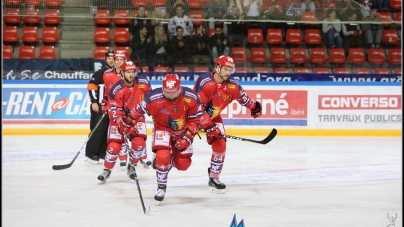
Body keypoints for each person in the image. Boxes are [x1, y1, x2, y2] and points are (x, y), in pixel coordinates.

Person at [126, 74, 204, 203]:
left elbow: (196, 120)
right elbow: (136, 111)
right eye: (167, 92)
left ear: (179, 88)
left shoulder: (191, 97)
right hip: (162, 129)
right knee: (162, 156)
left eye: (173, 92)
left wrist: (187, 138)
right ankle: (161, 187)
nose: (171, 96)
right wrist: (126, 124)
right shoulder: (153, 98)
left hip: (183, 131)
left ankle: (169, 161)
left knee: (183, 165)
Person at [193, 55, 262, 194]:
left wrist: (255, 107)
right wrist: (209, 127)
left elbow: (244, 99)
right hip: (192, 117)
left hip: (213, 117)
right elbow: (197, 109)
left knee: (220, 144)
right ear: (217, 67)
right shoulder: (205, 82)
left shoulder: (232, 85)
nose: (228, 73)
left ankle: (214, 177)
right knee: (181, 147)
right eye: (225, 69)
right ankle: (162, 155)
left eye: (230, 70)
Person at [98, 60, 152, 184]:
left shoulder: (144, 83)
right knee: (114, 146)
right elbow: (115, 111)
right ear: (122, 73)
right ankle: (106, 170)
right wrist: (124, 126)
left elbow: (150, 100)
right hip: (120, 120)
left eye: (132, 72)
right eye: (128, 72)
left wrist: (154, 112)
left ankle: (131, 166)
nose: (131, 74)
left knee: (139, 144)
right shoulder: (116, 89)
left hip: (137, 119)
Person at [85, 50, 114, 164]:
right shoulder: (100, 73)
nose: (111, 60)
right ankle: (90, 154)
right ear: (105, 59)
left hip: (110, 108)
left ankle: (102, 153)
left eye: (113, 58)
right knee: (97, 129)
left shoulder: (118, 74)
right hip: (99, 107)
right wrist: (94, 102)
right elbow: (91, 87)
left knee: (106, 130)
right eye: (109, 58)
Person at [102, 50, 129, 168]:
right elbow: (106, 91)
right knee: (115, 133)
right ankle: (119, 158)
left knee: (125, 132)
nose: (118, 62)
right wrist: (104, 104)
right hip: (113, 108)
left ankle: (125, 157)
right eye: (117, 59)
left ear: (125, 60)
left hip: (126, 108)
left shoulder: (129, 73)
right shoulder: (107, 74)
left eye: (121, 59)